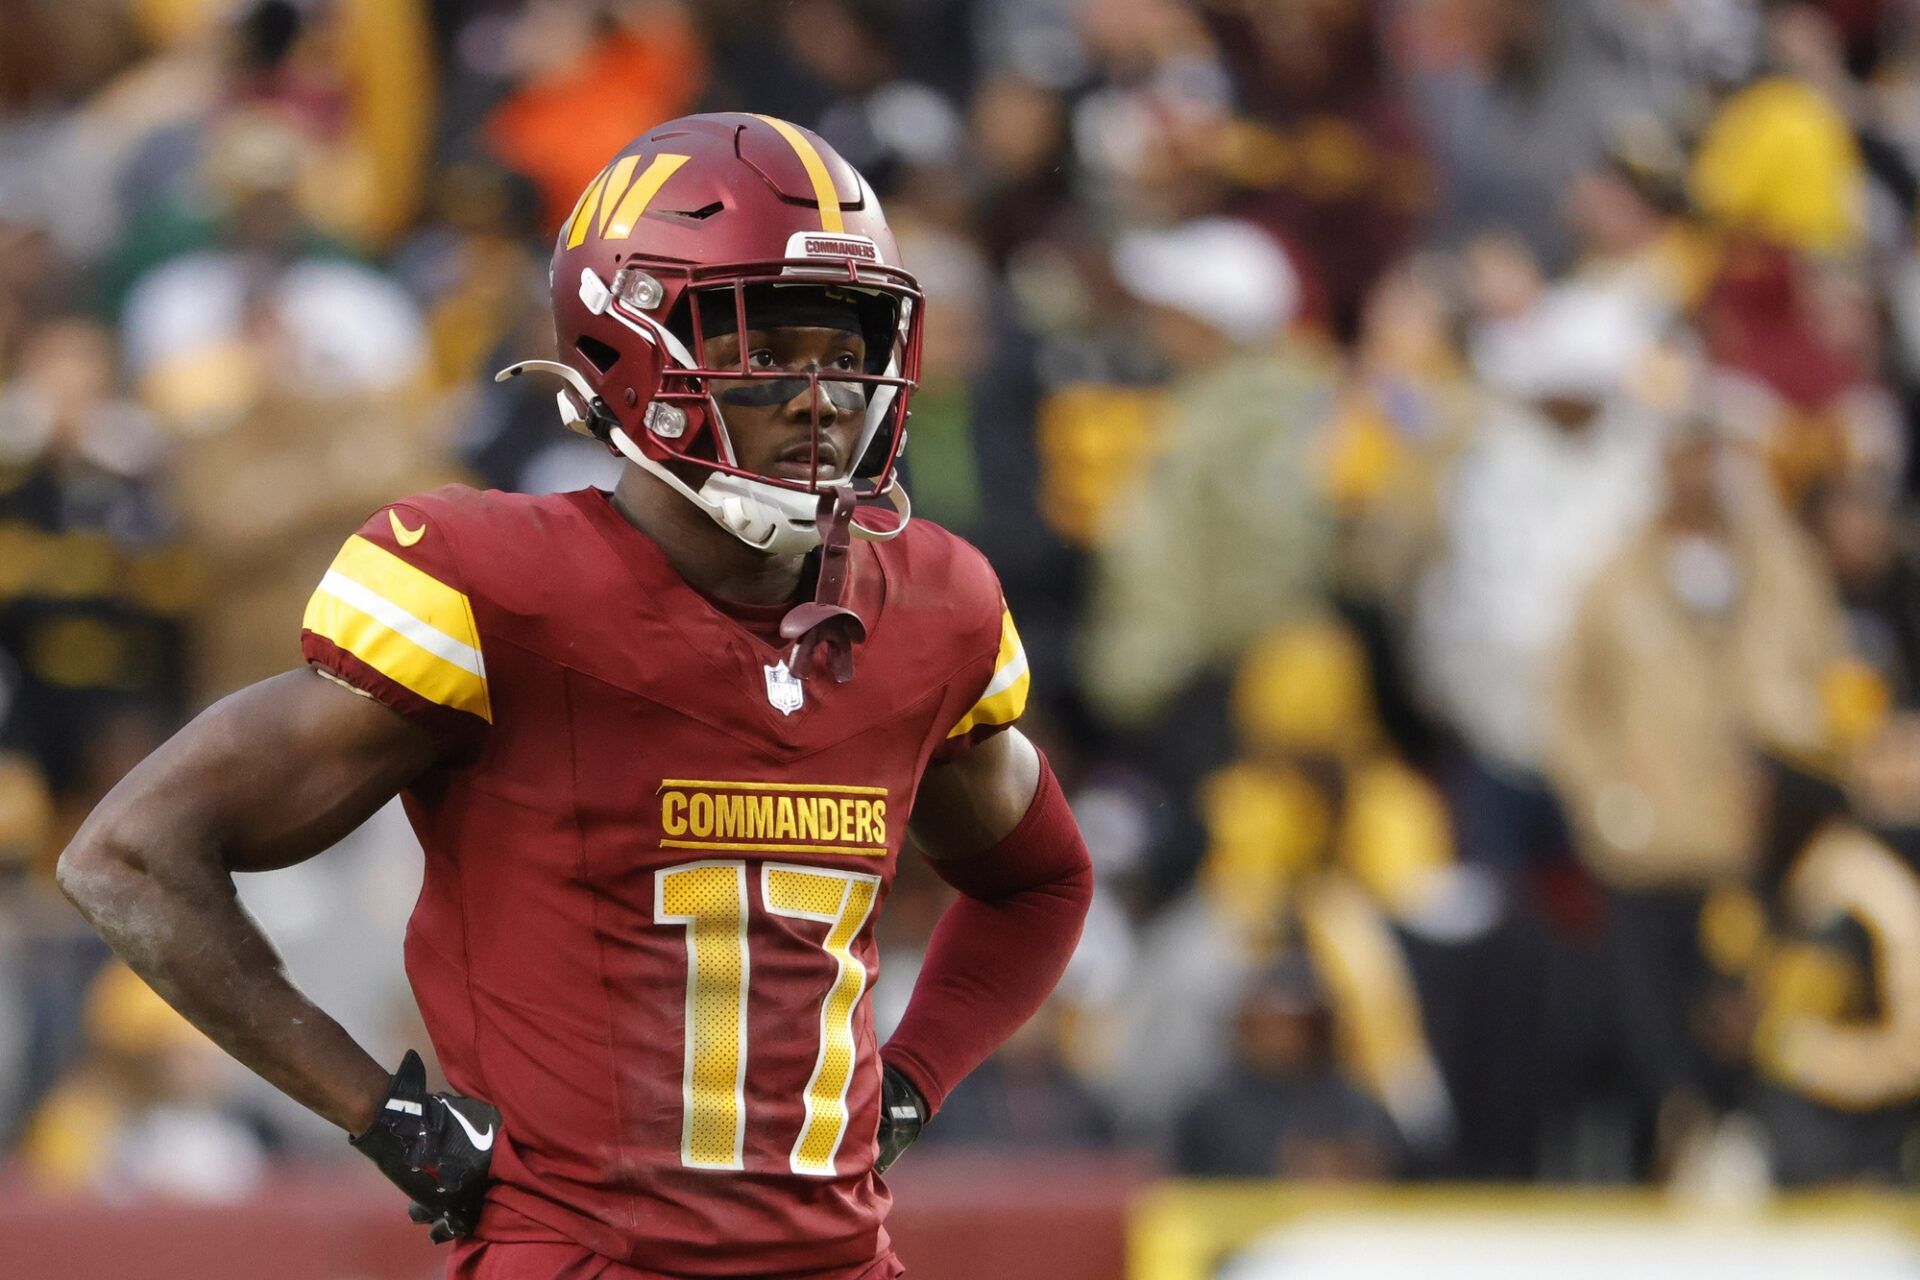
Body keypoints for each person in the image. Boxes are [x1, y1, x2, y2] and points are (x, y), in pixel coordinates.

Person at [54, 114, 1094, 1280]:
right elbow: (131, 852)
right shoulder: (506, 592)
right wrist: (384, 1116)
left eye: (848, 346)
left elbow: (1044, 877)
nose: (823, 395)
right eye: (767, 342)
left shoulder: (933, 607)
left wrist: (911, 1080)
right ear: (629, 343)